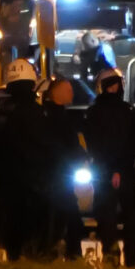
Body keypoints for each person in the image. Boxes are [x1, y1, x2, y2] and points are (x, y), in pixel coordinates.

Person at [84, 68, 135, 268]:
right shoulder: (127, 111)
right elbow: (132, 142)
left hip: (103, 171)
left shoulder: (93, 112)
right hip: (125, 171)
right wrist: (120, 169)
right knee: (131, 217)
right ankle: (133, 261)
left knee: (107, 217)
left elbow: (94, 144)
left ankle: (111, 258)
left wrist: (110, 170)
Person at [0, 60, 49, 261]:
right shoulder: (34, 112)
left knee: (11, 228)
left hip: (7, 181)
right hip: (32, 181)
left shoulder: (0, 113)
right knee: (32, 230)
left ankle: (14, 260)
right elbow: (43, 145)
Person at [38, 76, 90, 259]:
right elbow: (63, 146)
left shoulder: (57, 115)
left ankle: (62, 254)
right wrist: (78, 156)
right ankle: (70, 256)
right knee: (67, 220)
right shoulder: (54, 117)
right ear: (57, 92)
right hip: (57, 179)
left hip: (59, 179)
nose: (72, 93)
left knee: (65, 220)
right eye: (68, 89)